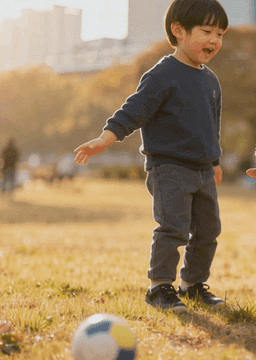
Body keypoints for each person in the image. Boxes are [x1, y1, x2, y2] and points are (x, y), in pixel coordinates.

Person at [74, 0, 228, 312]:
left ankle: (193, 285)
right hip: (169, 167)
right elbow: (134, 110)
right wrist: (106, 138)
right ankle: (159, 288)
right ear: (179, 31)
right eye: (207, 31)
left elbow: (212, 126)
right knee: (173, 228)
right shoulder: (162, 74)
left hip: (202, 170)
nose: (214, 40)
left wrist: (215, 161)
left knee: (208, 230)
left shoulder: (211, 80)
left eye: (221, 34)